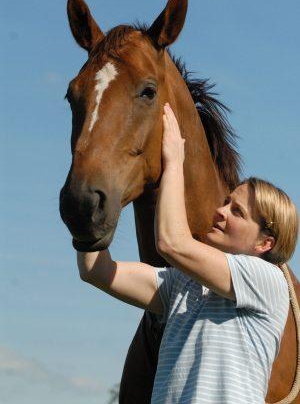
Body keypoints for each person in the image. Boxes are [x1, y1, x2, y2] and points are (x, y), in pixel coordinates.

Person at [77, 103, 298, 403]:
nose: (220, 212)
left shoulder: (267, 281)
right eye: (225, 202)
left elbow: (172, 243)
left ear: (265, 243)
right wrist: (89, 199)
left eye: (237, 212)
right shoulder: (180, 285)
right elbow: (96, 271)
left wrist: (174, 161)